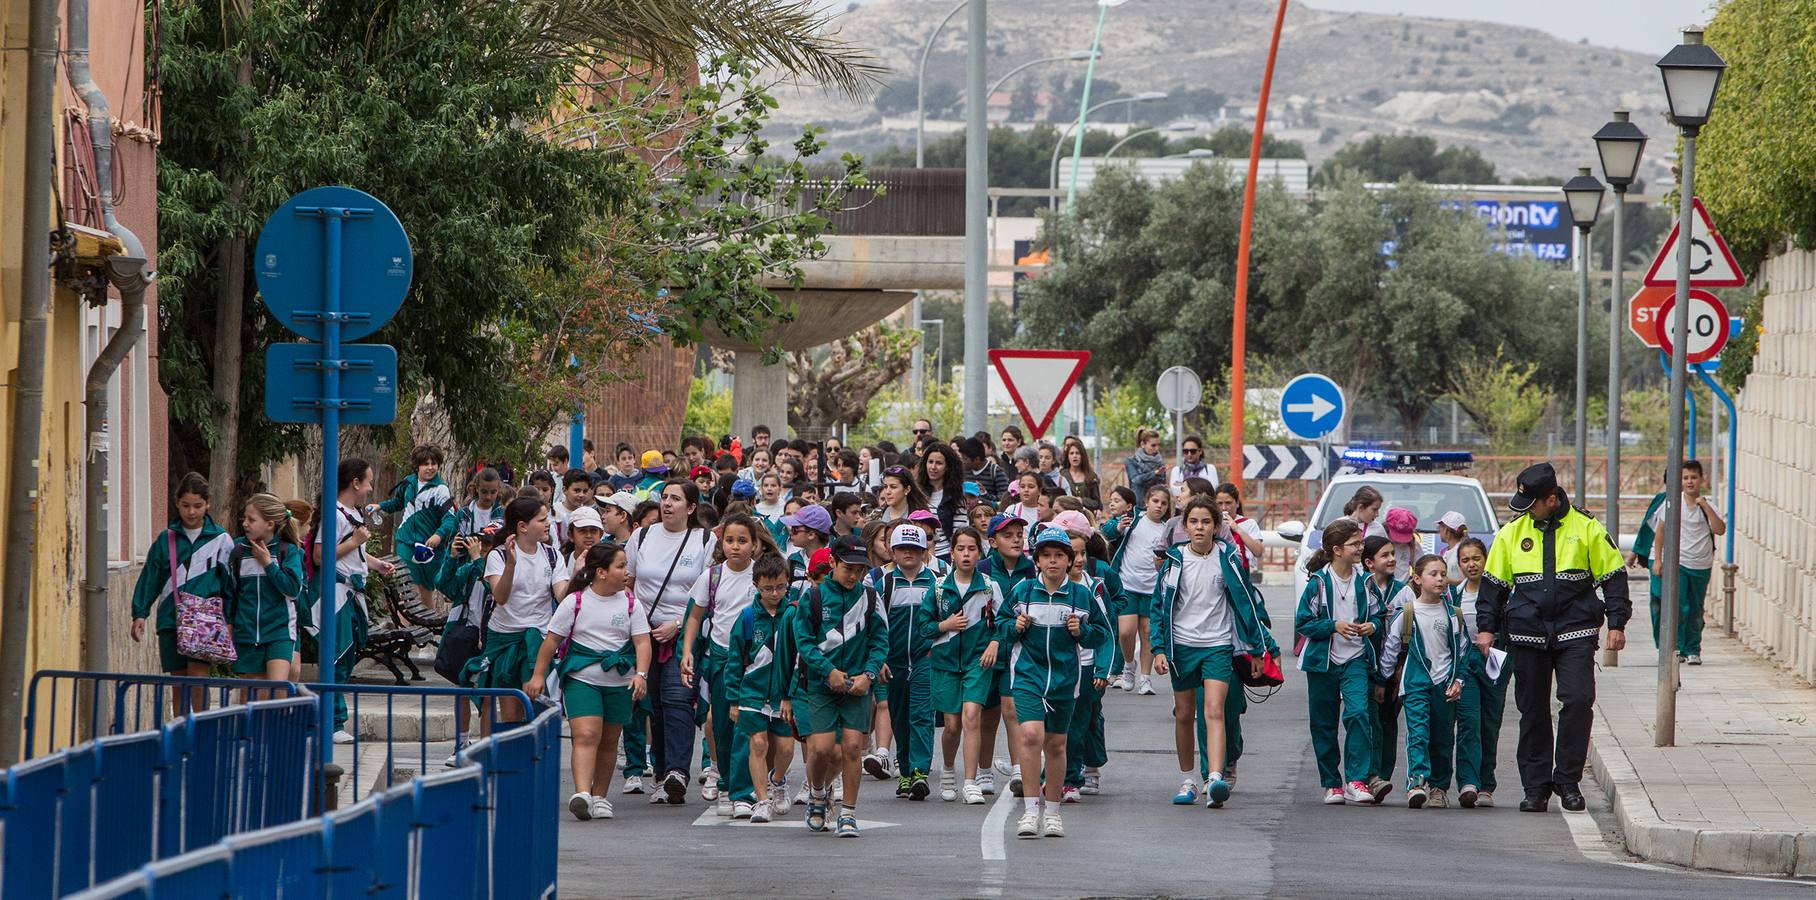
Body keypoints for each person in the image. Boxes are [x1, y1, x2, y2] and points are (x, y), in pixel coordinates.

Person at [1475, 462, 1629, 814]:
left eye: (1531, 504)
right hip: (1527, 633)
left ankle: (1568, 780)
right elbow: (1492, 586)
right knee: (1532, 711)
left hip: (1575, 630)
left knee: (1577, 700)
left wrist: (1617, 623)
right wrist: (1486, 628)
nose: (1525, 511)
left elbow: (1615, 577)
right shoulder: (1512, 533)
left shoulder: (1587, 528)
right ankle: (1536, 787)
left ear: (1552, 499)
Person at [1149, 498, 1274, 809]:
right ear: (1185, 526)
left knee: (1214, 710)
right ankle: (1188, 779)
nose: (1200, 527)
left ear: (1217, 527)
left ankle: (1214, 778)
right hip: (1182, 646)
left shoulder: (1228, 558)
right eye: (1193, 522)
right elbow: (1158, 608)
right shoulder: (1174, 560)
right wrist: (1158, 648)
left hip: (1218, 646)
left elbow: (1247, 603)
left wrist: (1258, 648)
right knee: (1183, 714)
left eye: (1206, 522)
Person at [526, 541, 651, 821]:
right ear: (601, 572)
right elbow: (551, 642)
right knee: (586, 734)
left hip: (620, 681)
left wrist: (641, 674)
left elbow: (642, 642)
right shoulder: (576, 601)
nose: (626, 572)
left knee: (609, 739)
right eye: (620, 566)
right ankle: (582, 793)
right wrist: (537, 675)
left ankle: (600, 796)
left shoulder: (631, 603)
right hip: (582, 679)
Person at [1003, 527, 1111, 838]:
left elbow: (1102, 634)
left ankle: (1052, 812)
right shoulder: (1023, 592)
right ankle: (1029, 810)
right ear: (1036, 560)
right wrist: (1015, 626)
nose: (1052, 561)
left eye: (1059, 556)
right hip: (1028, 675)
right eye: (1046, 556)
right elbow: (997, 625)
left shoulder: (1081, 595)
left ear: (1070, 560)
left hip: (1066, 678)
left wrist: (1082, 632)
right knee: (1031, 735)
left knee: (1056, 744)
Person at [627, 480, 717, 805]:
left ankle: (679, 772)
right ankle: (662, 774)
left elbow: (708, 593)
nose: (667, 504)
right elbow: (631, 584)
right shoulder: (641, 536)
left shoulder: (705, 540)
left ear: (691, 507)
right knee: (655, 707)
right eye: (664, 498)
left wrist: (678, 624)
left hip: (684, 633)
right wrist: (638, 627)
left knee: (678, 699)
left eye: (675, 499)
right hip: (644, 634)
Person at [794, 535, 889, 837]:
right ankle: (818, 794)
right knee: (820, 750)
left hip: (858, 685)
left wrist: (869, 675)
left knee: (851, 747)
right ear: (832, 562)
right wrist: (828, 671)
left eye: (860, 570)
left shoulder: (871, 598)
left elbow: (880, 640)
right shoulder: (814, 597)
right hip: (822, 685)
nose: (854, 575)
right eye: (848, 568)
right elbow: (804, 642)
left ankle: (848, 812)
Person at [681, 514, 775, 816]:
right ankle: (724, 783)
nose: (735, 547)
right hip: (721, 658)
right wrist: (688, 651)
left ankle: (742, 793)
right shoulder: (712, 576)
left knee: (746, 727)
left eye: (742, 541)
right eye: (730, 540)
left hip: (756, 661)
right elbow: (694, 616)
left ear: (755, 544)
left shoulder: (759, 576)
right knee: (721, 725)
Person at [1378, 554, 1478, 810]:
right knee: (1418, 733)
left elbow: (1463, 651)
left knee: (1444, 738)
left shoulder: (1453, 615)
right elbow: (1390, 649)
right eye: (1433, 574)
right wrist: (1383, 681)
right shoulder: (1407, 613)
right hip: (1415, 685)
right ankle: (1417, 783)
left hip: (1444, 685)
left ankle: (1439, 788)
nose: (1440, 579)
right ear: (1417, 579)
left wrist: (1458, 679)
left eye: (1443, 574)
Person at [130, 473, 238, 707]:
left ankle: (200, 733)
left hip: (205, 619)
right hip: (172, 619)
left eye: (198, 506)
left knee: (199, 680)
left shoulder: (221, 540)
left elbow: (230, 585)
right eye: (186, 505)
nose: (191, 512)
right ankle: (182, 739)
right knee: (179, 683)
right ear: (177, 503)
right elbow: (151, 576)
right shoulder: (165, 539)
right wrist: (140, 612)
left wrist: (229, 620)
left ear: (207, 504)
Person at [1295, 517, 1381, 805]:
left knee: (1358, 713)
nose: (1360, 548)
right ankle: (1331, 783)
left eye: (1360, 542)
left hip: (1356, 657)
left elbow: (1380, 615)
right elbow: (1303, 623)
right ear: (1336, 549)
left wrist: (1373, 626)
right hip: (1322, 661)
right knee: (1323, 722)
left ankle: (1356, 779)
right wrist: (1333, 625)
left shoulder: (1366, 581)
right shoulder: (1319, 582)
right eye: (1354, 544)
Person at [474, 496, 570, 731]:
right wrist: (511, 566)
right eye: (542, 519)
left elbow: (562, 597)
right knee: (509, 710)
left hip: (537, 637)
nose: (548, 524)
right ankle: (505, 761)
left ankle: (533, 761)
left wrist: (578, 573)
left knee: (533, 703)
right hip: (504, 637)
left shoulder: (552, 555)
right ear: (522, 526)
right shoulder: (499, 555)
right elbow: (501, 597)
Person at [923, 526, 1002, 804]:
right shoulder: (938, 587)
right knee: (952, 725)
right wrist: (945, 625)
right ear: (952, 552)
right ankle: (947, 770)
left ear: (980, 552)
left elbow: (1002, 622)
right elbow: (924, 627)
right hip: (944, 663)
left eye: (971, 549)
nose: (966, 554)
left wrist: (994, 643)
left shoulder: (990, 586)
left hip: (977, 661)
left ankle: (970, 782)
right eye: (960, 549)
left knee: (972, 716)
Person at [723, 553, 796, 822]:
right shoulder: (746, 617)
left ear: (787, 582)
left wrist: (792, 694)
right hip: (751, 693)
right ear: (756, 585)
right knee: (758, 743)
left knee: (786, 748)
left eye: (780, 586)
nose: (774, 593)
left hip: (783, 696)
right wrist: (733, 699)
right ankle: (761, 800)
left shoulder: (793, 613)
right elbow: (734, 660)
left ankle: (777, 780)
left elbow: (799, 657)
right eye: (768, 588)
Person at [870, 523, 940, 800]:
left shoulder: (937, 582)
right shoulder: (883, 584)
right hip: (893, 662)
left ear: (924, 551)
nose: (908, 553)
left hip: (926, 659)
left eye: (914, 548)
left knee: (922, 715)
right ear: (892, 552)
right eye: (902, 548)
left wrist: (938, 648)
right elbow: (874, 625)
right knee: (899, 716)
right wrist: (879, 659)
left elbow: (946, 619)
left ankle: (921, 771)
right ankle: (907, 772)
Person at [1633, 459, 1725, 665]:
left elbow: (1720, 529)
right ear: (1679, 481)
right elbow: (1660, 532)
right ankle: (1677, 647)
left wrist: (1704, 506)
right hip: (1678, 562)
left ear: (1702, 479)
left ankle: (1693, 649)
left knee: (1696, 609)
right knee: (1679, 605)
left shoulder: (1709, 505)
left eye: (1694, 477)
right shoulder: (1672, 503)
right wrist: (1657, 559)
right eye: (1685, 478)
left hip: (1701, 564)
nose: (1690, 482)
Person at [976, 513, 1033, 794]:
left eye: (1019, 535)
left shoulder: (1032, 570)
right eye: (1007, 535)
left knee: (1013, 710)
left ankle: (1019, 769)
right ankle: (983, 771)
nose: (1015, 540)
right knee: (988, 714)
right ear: (992, 541)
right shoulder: (982, 570)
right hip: (985, 650)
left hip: (1018, 650)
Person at [229, 493, 306, 686]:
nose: (245, 523)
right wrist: (230, 623)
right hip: (246, 632)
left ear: (270, 524)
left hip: (279, 631)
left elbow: (292, 589)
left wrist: (268, 565)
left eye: (251, 519)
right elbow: (231, 592)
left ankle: (279, 717)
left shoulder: (287, 551)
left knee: (277, 689)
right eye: (244, 518)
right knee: (251, 696)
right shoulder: (238, 550)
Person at [1452, 537, 1503, 807]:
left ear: (1486, 560)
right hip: (1465, 661)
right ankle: (1468, 782)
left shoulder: (1500, 592)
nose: (1471, 564)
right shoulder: (1454, 595)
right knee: (1468, 720)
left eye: (1476, 558)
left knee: (1490, 722)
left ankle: (1486, 785)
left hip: (1494, 660)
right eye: (1465, 560)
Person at [1106, 484, 1172, 695]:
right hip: (1127, 584)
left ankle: (1145, 678)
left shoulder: (1167, 528)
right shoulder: (1134, 519)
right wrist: (1117, 528)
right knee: (1125, 632)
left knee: (1148, 633)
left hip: (1152, 587)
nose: (1159, 506)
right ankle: (1128, 664)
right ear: (1147, 502)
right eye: (1155, 501)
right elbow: (1106, 530)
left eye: (1163, 503)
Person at [1362, 535, 1406, 803]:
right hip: (1367, 664)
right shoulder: (1361, 589)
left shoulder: (1403, 590)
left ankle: (1383, 776)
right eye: (1384, 555)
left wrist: (1400, 666)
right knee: (1370, 721)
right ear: (1369, 562)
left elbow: (1409, 632)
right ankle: (1370, 774)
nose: (1391, 559)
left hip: (1396, 669)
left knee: (1389, 722)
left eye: (1393, 554)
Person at [378, 445, 455, 591]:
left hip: (429, 548)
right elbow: (398, 503)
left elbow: (450, 518)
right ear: (417, 465)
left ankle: (425, 615)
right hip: (405, 542)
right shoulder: (408, 482)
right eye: (426, 464)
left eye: (434, 464)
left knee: (425, 591)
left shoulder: (441, 489)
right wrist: (380, 506)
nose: (430, 468)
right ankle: (402, 615)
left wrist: (438, 535)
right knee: (407, 589)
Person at [917, 444, 970, 560]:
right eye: (930, 462)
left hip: (945, 555)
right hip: (917, 553)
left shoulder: (956, 497)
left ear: (947, 467)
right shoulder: (917, 494)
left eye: (939, 463)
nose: (933, 467)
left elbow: (959, 533)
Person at [1214, 483, 1265, 575]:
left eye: (1228, 503)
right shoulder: (1212, 524)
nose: (1224, 508)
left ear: (1237, 503)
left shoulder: (1248, 523)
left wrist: (1237, 528)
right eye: (1220, 503)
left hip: (1241, 572)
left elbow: (1258, 552)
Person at [552, 468, 597, 548]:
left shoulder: (589, 514)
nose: (581, 495)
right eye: (577, 490)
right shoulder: (554, 511)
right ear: (565, 490)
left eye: (585, 491)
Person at [959, 437, 1010, 506]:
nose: (962, 461)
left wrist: (985, 494)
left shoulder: (996, 471)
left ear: (977, 459)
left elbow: (1004, 500)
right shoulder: (964, 471)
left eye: (965, 459)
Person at [1057, 439, 1100, 507]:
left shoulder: (1091, 477)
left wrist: (1082, 501)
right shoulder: (1061, 475)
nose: (1075, 456)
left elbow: (1097, 503)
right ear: (1068, 457)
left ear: (1082, 456)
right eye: (1071, 453)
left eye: (1078, 453)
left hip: (1085, 515)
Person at [1125, 429, 1166, 500]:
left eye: (1158, 445)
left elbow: (1161, 483)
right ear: (1143, 444)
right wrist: (1154, 473)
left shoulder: (1159, 461)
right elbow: (1135, 480)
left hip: (1156, 505)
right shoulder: (1131, 461)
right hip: (1138, 506)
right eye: (1153, 445)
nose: (1157, 449)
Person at [1383, 507, 1420, 581]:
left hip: (1402, 586)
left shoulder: (1412, 545)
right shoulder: (1379, 539)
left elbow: (1421, 567)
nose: (1399, 541)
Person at [1436, 510, 1470, 584]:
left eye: (1440, 527)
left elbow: (1470, 581)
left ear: (1446, 530)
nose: (1439, 530)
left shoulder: (1462, 552)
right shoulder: (1444, 552)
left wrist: (1446, 581)